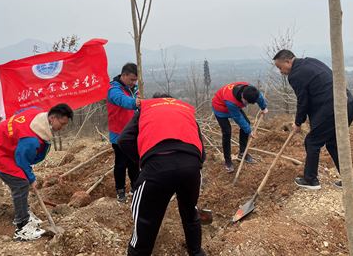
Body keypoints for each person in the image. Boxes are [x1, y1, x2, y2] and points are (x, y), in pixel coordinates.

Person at [118, 94, 206, 256]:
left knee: (145, 220)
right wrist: (193, 164)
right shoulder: (185, 109)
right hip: (191, 166)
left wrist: (143, 161)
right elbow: (201, 148)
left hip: (157, 167)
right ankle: (196, 252)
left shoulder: (147, 108)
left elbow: (123, 139)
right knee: (190, 213)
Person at [273, 49, 353, 190]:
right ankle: (350, 181)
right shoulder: (311, 61)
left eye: (280, 67)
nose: (280, 71)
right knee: (333, 143)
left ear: (288, 61)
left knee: (312, 142)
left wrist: (297, 122)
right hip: (348, 102)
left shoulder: (295, 75)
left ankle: (310, 180)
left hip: (334, 107)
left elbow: (303, 101)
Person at [0, 103, 73, 241]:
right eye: (61, 124)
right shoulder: (31, 140)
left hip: (7, 147)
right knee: (20, 183)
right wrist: (31, 179)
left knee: (23, 180)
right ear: (52, 118)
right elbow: (21, 161)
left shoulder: (37, 112)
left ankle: (24, 212)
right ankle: (22, 226)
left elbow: (20, 112)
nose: (62, 128)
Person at [211, 82, 268, 173]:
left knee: (247, 123)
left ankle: (242, 153)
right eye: (246, 102)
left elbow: (259, 97)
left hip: (234, 106)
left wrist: (264, 107)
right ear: (242, 96)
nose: (246, 105)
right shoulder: (231, 102)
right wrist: (249, 131)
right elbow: (237, 117)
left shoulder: (251, 91)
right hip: (220, 108)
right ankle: (228, 161)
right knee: (227, 132)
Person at [107, 63, 141, 203]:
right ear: (124, 75)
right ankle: (120, 191)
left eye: (135, 80)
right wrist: (136, 102)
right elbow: (124, 101)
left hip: (133, 133)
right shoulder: (114, 89)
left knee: (134, 163)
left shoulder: (134, 89)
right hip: (119, 135)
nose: (134, 82)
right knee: (121, 164)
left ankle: (136, 189)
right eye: (132, 79)